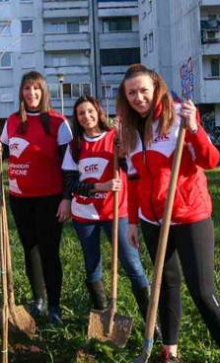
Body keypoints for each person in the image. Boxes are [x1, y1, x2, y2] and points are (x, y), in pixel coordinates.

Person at [117, 64, 220, 363]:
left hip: (189, 215)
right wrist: (132, 221)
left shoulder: (178, 116)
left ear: (156, 87)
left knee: (204, 293)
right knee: (165, 285)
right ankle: (169, 353)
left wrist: (193, 129)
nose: (139, 98)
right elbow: (132, 181)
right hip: (151, 220)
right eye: (132, 93)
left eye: (144, 90)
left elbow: (211, 159)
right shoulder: (129, 130)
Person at [0, 71, 73, 324]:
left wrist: (66, 198)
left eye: (36, 88)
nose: (31, 93)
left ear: (43, 91)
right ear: (21, 93)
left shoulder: (59, 123)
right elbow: (3, 150)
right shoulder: (13, 121)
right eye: (27, 88)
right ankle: (38, 299)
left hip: (49, 197)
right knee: (30, 249)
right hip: (20, 196)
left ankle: (55, 306)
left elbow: (70, 166)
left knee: (49, 250)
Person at [59, 95, 151, 320]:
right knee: (92, 266)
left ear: (98, 112)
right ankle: (101, 315)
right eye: (81, 113)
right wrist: (102, 185)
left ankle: (151, 321)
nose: (86, 116)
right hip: (84, 215)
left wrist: (123, 149)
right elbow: (70, 183)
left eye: (90, 111)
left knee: (133, 265)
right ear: (76, 118)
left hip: (116, 212)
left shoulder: (115, 138)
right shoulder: (75, 145)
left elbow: (132, 167)